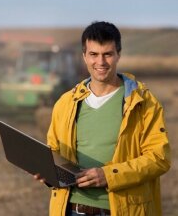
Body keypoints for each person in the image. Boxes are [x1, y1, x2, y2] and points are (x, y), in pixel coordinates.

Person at [36, 21, 171, 216]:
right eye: (93, 54)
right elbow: (54, 151)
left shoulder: (144, 103)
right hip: (70, 209)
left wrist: (109, 176)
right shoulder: (65, 103)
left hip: (122, 210)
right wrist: (47, 173)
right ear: (84, 56)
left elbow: (159, 158)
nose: (100, 62)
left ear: (118, 55)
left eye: (107, 54)